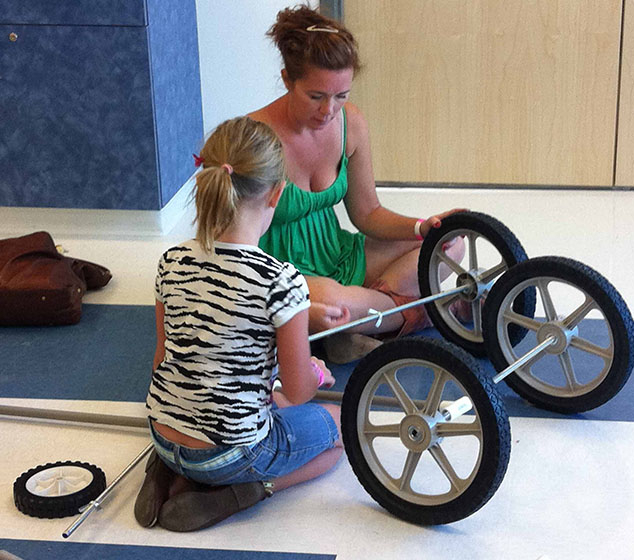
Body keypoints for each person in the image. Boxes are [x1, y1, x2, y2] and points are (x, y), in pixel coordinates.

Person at [134, 116, 342, 532]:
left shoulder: (171, 261)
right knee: (336, 436)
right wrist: (315, 371)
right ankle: (242, 494)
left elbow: (162, 359)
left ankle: (163, 472)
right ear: (277, 194)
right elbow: (300, 391)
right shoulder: (280, 281)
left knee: (266, 400)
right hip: (226, 456)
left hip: (161, 432)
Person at [250, 5, 466, 363]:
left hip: (339, 254)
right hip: (283, 273)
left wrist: (420, 228)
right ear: (288, 79)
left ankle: (356, 323)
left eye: (341, 96)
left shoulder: (352, 123)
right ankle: (425, 310)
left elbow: (368, 213)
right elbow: (229, 244)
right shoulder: (253, 137)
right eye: (316, 96)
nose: (329, 111)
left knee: (451, 243)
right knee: (331, 301)